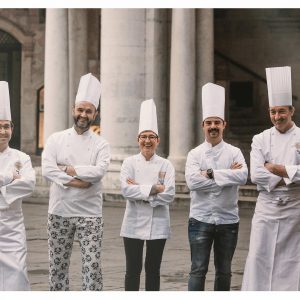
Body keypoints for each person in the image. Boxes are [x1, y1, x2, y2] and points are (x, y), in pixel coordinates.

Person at [42, 73, 110, 291]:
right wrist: (77, 182)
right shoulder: (55, 139)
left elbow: (98, 172)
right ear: (73, 110)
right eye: (80, 109)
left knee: (92, 266)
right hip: (59, 211)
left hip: (90, 213)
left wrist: (68, 169)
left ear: (95, 114)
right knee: (57, 266)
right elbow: (47, 169)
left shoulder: (102, 144)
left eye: (88, 111)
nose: (83, 114)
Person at [185, 83, 248, 291]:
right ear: (203, 125)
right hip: (200, 218)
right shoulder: (195, 154)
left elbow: (243, 176)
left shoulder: (235, 152)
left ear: (224, 125)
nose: (213, 126)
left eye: (217, 123)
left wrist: (210, 174)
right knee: (197, 269)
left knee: (224, 270)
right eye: (209, 122)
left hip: (228, 219)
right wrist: (226, 175)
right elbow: (192, 182)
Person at [242, 66, 300, 291]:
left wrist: (274, 168)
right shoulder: (260, 139)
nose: (277, 117)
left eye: (281, 111)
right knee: (260, 257)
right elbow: (255, 174)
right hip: (266, 209)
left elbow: (265, 171)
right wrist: (291, 172)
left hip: (295, 208)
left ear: (292, 110)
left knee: (292, 260)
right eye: (273, 112)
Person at [120, 99, 175, 291]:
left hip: (158, 222)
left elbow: (169, 195)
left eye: (152, 136)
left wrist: (141, 189)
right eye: (143, 136)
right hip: (133, 222)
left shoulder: (166, 164)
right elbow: (126, 191)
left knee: (153, 270)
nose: (147, 140)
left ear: (158, 140)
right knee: (132, 270)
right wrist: (154, 189)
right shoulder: (129, 163)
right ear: (138, 139)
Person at [0, 81, 36, 290]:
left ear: (12, 128)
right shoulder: (14, 166)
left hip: (12, 227)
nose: (3, 131)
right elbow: (15, 181)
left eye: (6, 126)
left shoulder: (21, 157)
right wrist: (8, 178)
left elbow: (29, 183)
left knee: (18, 273)